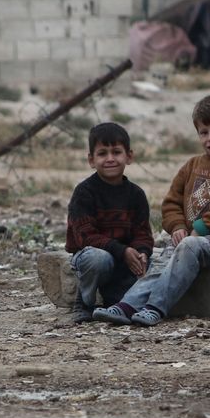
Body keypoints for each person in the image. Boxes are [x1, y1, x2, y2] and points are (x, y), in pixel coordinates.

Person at [92, 94, 210, 327]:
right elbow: (171, 202)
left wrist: (201, 227)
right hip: (191, 239)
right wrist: (178, 226)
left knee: (188, 245)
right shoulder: (192, 165)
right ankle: (127, 305)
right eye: (204, 132)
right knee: (162, 261)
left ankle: (156, 307)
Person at [64, 122, 155, 323]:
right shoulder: (85, 192)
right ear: (91, 160)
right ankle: (85, 301)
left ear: (129, 156)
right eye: (102, 153)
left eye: (116, 152)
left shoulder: (136, 194)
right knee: (99, 259)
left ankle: (118, 304)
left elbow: (143, 233)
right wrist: (121, 251)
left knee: (158, 264)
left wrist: (142, 253)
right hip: (92, 256)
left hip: (124, 260)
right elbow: (85, 236)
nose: (110, 159)